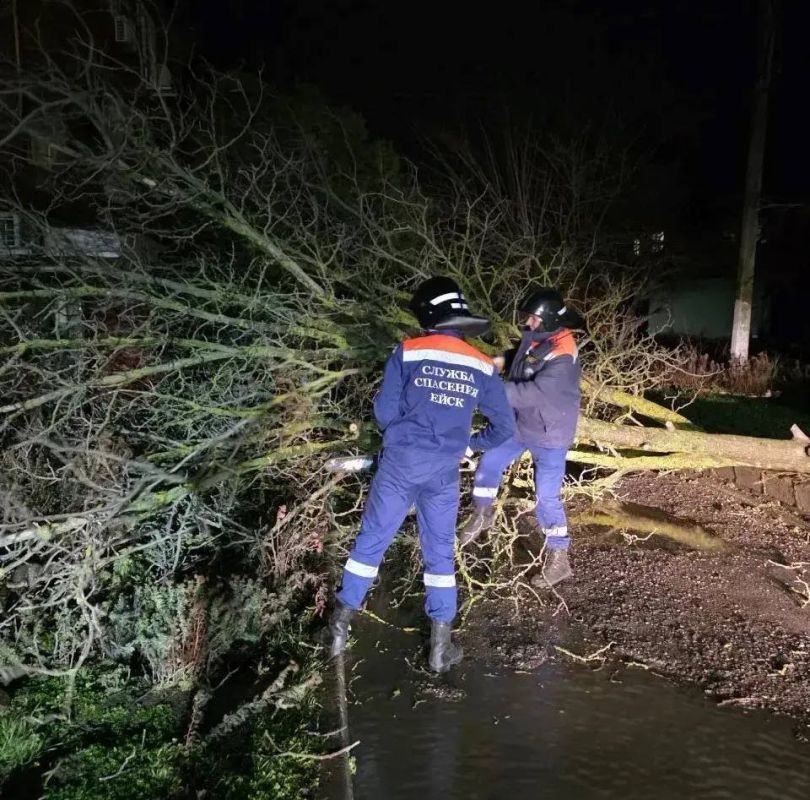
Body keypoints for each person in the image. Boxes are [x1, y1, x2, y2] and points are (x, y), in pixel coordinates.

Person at [322, 277, 515, 672]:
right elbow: (504, 428)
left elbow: (383, 412)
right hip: (443, 472)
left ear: (428, 314)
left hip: (399, 465)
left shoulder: (408, 351)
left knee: (371, 543)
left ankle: (338, 630)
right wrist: (468, 445)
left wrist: (401, 438)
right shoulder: (481, 363)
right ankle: (440, 649)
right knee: (440, 553)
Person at [459, 287, 583, 589]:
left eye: (532, 319)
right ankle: (482, 513)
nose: (527, 323)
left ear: (549, 320)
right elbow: (519, 356)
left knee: (546, 497)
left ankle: (559, 559)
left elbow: (531, 392)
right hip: (523, 424)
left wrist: (485, 392)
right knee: (490, 461)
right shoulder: (543, 339)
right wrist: (492, 363)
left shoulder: (563, 356)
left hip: (551, 433)